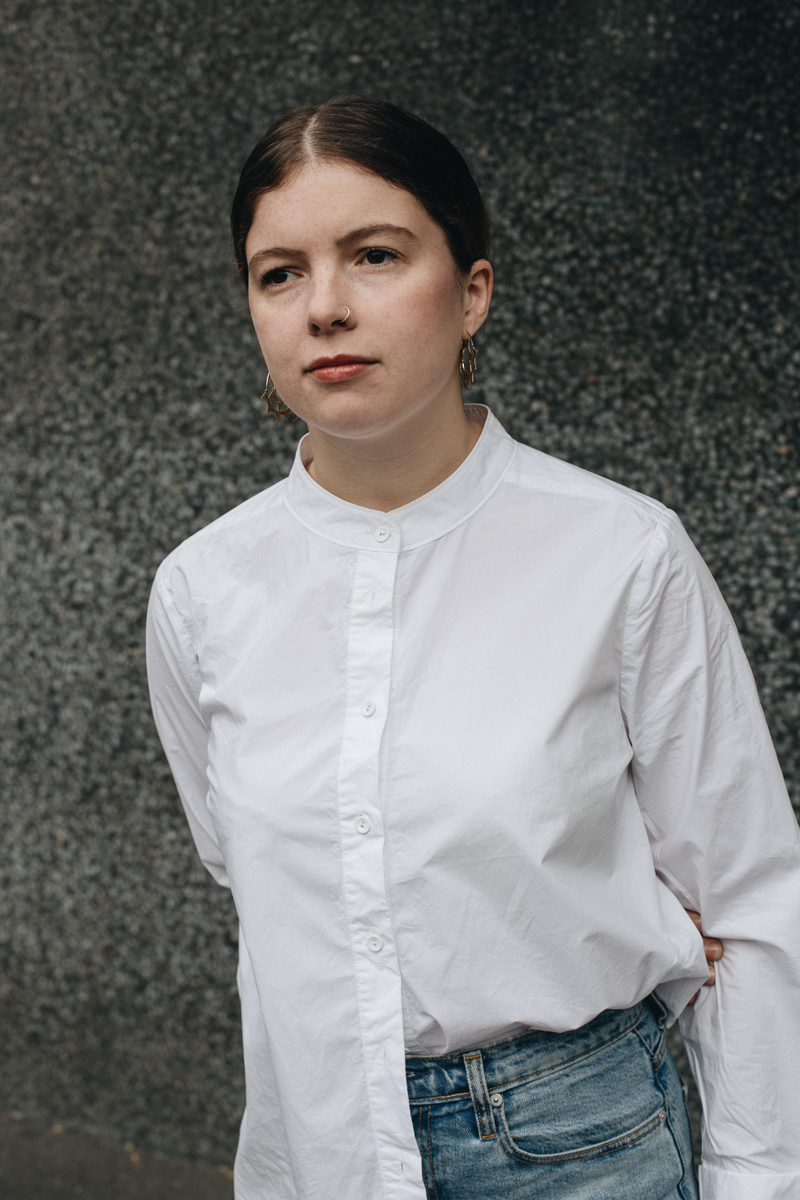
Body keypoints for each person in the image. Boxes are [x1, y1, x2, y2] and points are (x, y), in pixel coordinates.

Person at [146, 97, 800, 1200]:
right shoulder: (202, 588)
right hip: (319, 1142)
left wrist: (757, 1176)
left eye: (375, 255)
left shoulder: (620, 554)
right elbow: (249, 867)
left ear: (472, 292)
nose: (325, 307)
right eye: (280, 273)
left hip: (577, 1144)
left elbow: (749, 901)